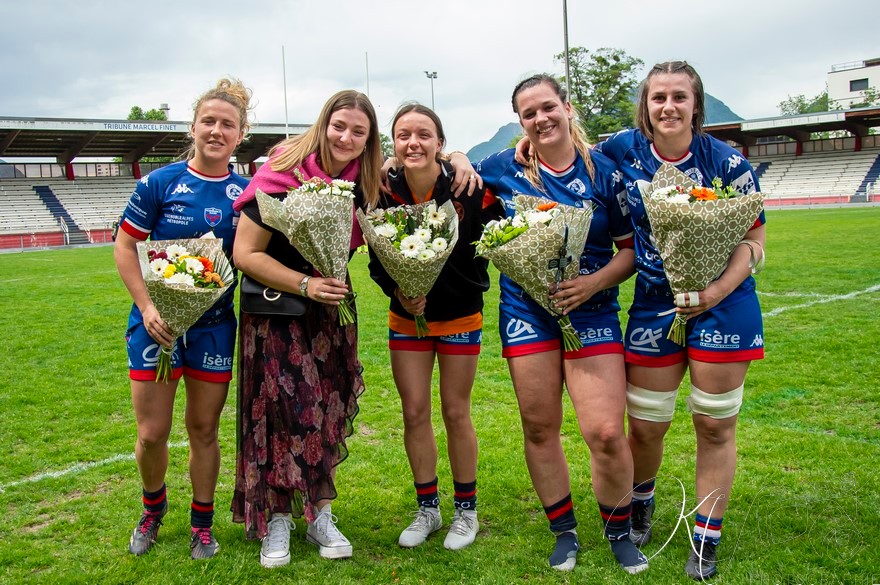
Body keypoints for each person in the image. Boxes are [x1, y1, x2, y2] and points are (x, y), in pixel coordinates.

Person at [592, 61, 766, 581]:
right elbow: (571, 156)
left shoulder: (727, 163)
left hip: (724, 304)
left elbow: (754, 241)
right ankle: (641, 503)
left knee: (713, 424)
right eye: (658, 97)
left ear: (696, 105)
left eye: (679, 97)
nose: (668, 107)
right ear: (645, 105)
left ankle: (705, 537)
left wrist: (714, 290)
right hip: (653, 302)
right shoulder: (622, 149)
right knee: (646, 427)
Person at [468, 74, 645, 574]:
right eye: (529, 114)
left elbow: (629, 252)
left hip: (592, 311)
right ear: (520, 123)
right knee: (540, 426)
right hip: (527, 313)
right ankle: (563, 532)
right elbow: (456, 171)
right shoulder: (503, 168)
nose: (541, 119)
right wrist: (458, 158)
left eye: (548, 108)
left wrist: (592, 284)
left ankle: (619, 531)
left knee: (607, 431)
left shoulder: (607, 173)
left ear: (567, 108)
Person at [230, 89, 382, 567]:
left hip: (331, 311)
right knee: (282, 412)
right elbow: (245, 255)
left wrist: (458, 155)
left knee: (325, 407)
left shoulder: (368, 179)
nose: (347, 137)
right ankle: (277, 519)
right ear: (324, 124)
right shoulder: (283, 169)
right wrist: (305, 284)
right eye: (340, 126)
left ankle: (320, 514)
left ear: (368, 139)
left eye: (359, 131)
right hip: (277, 310)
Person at [113, 78, 252, 559]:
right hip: (155, 327)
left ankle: (202, 524)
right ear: (193, 127)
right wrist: (150, 307)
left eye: (227, 125)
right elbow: (126, 245)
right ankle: (152, 510)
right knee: (151, 434)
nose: (216, 130)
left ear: (240, 135)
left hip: (214, 327)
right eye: (208, 121)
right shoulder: (159, 182)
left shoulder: (245, 191)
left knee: (204, 430)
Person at [368, 103, 503, 551]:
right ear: (393, 144)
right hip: (406, 320)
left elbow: (494, 242)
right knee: (413, 412)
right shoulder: (382, 189)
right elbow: (375, 259)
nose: (413, 143)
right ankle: (427, 508)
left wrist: (462, 159)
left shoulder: (466, 186)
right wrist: (398, 292)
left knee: (455, 411)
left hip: (461, 315)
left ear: (440, 144)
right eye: (403, 135)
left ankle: (467, 510)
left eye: (424, 134)